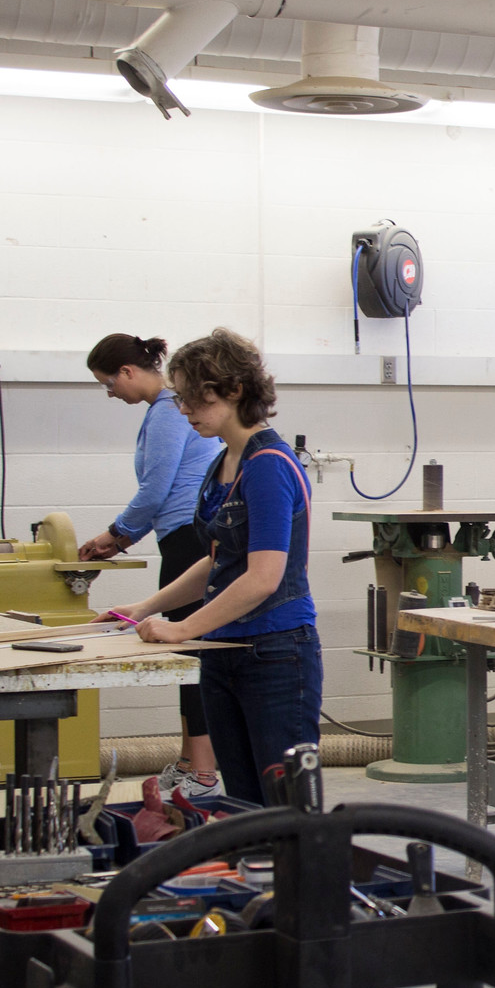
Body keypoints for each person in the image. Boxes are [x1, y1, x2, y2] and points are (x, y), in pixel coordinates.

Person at [102, 329, 319, 807]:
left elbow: (263, 577)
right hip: (225, 652)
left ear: (234, 390)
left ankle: (292, 880)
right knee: (241, 802)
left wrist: (182, 631)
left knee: (285, 806)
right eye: (179, 397)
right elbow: (218, 561)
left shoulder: (268, 464)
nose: (183, 410)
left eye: (192, 397)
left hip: (274, 655)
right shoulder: (225, 461)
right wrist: (145, 608)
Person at [80, 334, 226, 797]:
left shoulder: (166, 412)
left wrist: (115, 532)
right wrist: (124, 537)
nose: (111, 394)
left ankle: (203, 770)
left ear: (127, 371)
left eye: (108, 384)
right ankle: (191, 759)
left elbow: (156, 489)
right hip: (177, 533)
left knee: (190, 654)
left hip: (188, 537)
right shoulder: (162, 411)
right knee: (184, 653)